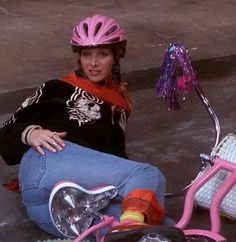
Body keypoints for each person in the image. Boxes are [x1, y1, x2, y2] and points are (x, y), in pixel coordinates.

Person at [0, 14, 167, 239]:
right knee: (148, 175)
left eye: (103, 54)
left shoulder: (118, 107)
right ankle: (130, 228)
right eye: (86, 55)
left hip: (59, 207)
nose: (93, 63)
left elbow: (112, 162)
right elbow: (7, 129)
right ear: (79, 58)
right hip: (49, 161)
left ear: (116, 57)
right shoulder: (58, 87)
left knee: (163, 227)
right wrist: (32, 133)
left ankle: (128, 231)